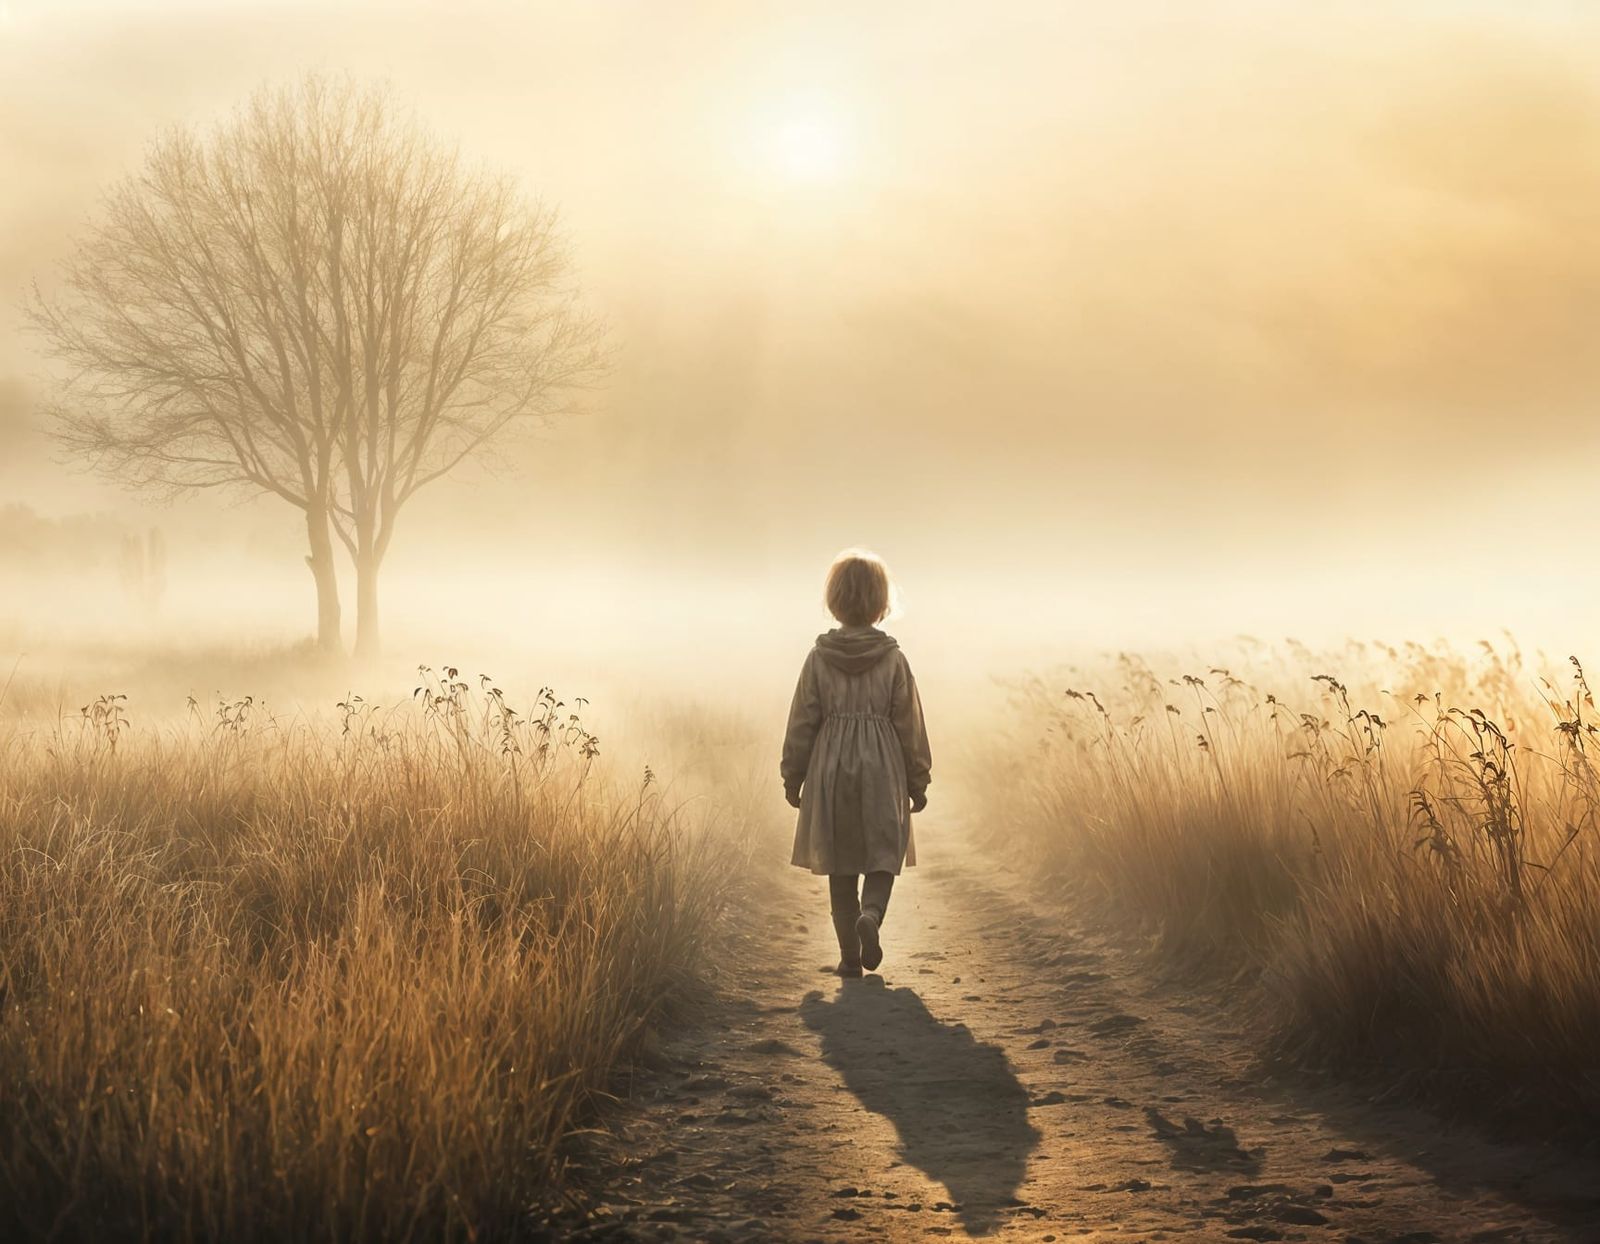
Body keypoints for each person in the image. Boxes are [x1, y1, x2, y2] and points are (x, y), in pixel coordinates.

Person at [781, 549, 932, 977]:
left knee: (841, 863)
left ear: (834, 600)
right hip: (882, 769)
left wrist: (793, 774)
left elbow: (802, 720)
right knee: (883, 854)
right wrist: (918, 778)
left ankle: (850, 958)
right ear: (882, 603)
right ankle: (872, 914)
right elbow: (910, 722)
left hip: (831, 769)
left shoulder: (818, 658)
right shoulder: (894, 659)